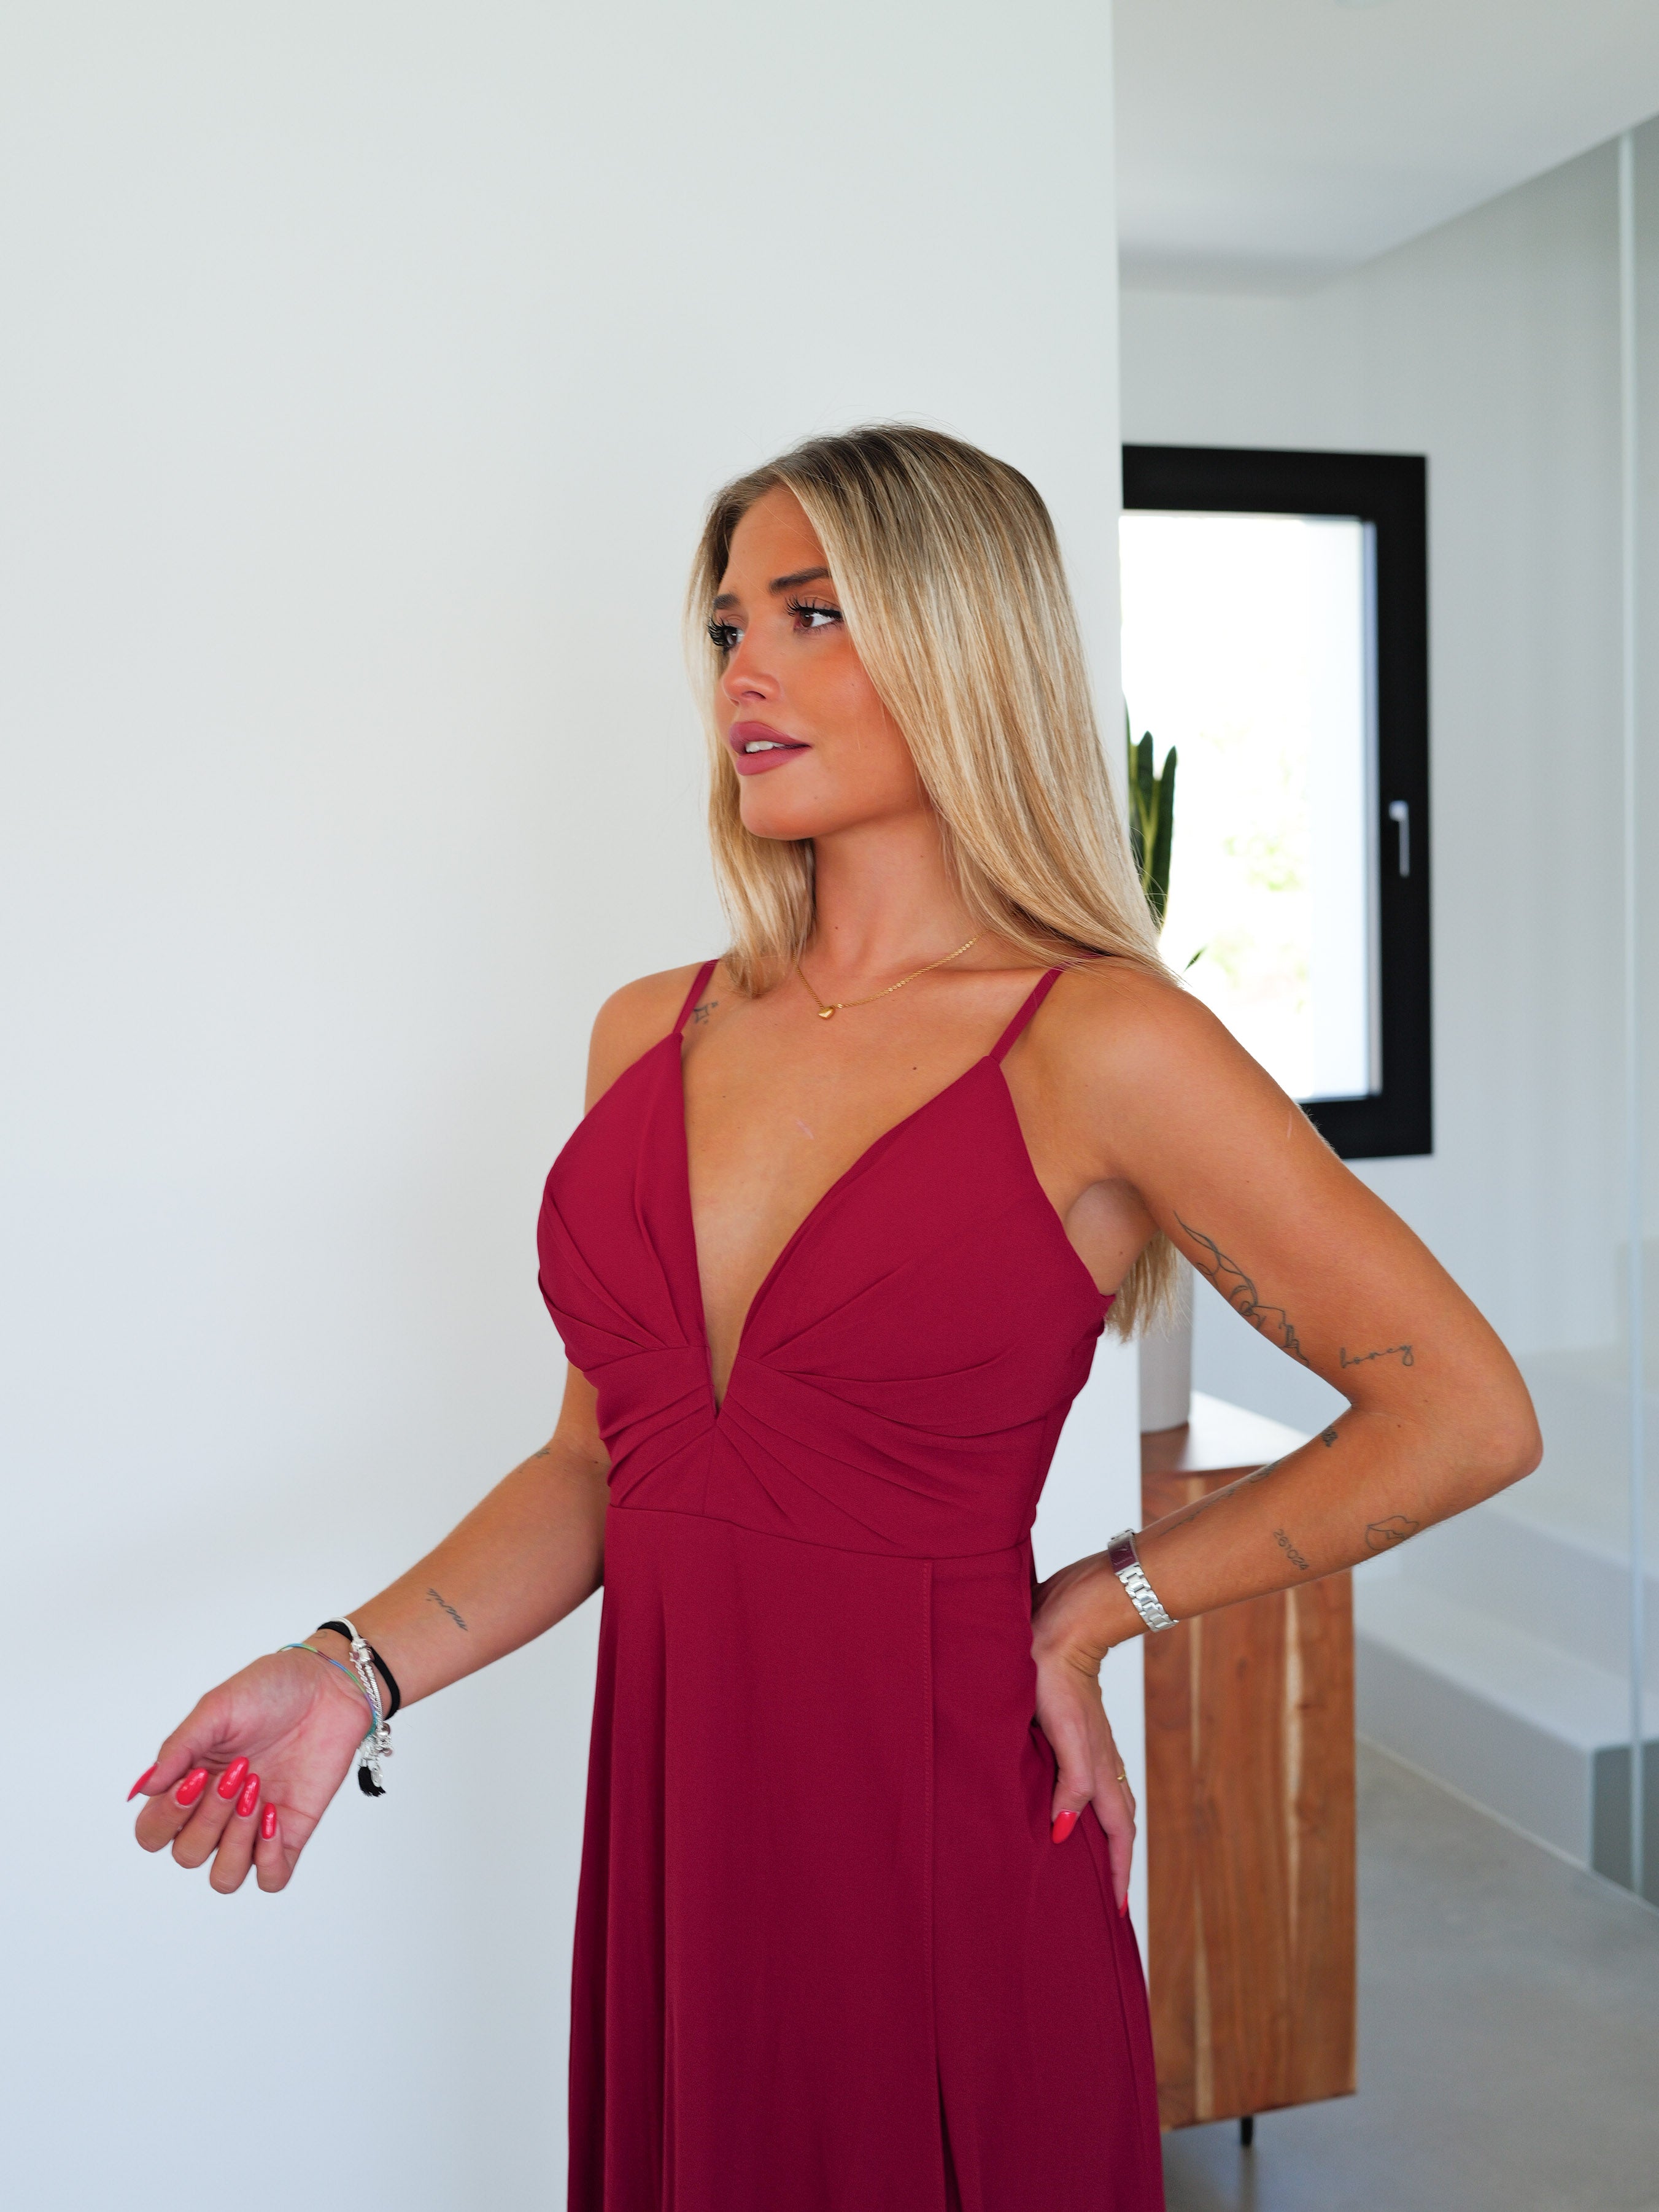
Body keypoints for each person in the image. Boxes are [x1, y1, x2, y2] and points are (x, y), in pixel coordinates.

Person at [129, 425, 1541, 2210]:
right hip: (684, 1867)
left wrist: (1103, 1604)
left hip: (944, 1864)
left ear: (963, 646)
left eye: (814, 614)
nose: (746, 670)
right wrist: (349, 1669)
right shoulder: (646, 1035)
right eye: (730, 625)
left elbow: (1465, 1411)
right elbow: (602, 1470)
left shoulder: (1102, 1044)